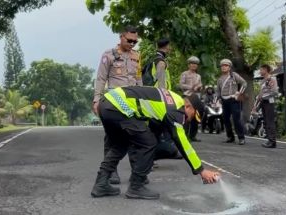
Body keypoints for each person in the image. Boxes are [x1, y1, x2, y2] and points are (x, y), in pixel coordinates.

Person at [91, 86, 220, 200]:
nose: (189, 120)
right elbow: (182, 142)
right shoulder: (176, 110)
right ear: (188, 106)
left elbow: (153, 124)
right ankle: (136, 187)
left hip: (107, 103)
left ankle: (101, 184)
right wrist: (201, 170)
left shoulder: (171, 100)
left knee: (121, 144)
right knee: (148, 142)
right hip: (119, 106)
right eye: (192, 116)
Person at [92, 25, 142, 185]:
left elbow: (139, 79)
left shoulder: (136, 56)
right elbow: (101, 78)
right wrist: (97, 100)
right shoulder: (109, 55)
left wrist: (143, 100)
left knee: (137, 136)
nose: (132, 44)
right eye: (129, 40)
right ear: (121, 37)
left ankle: (138, 172)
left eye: (135, 41)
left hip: (132, 101)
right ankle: (111, 172)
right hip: (114, 102)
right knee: (112, 138)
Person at [216, 59, 247, 145]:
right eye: (222, 65)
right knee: (225, 119)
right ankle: (230, 137)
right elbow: (218, 91)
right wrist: (216, 100)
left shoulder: (234, 75)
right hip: (224, 100)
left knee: (236, 119)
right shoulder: (219, 79)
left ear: (229, 67)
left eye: (226, 65)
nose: (224, 67)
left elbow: (244, 83)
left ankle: (241, 138)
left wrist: (239, 92)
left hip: (233, 99)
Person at [253, 64, 279, 148]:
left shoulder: (272, 79)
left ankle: (272, 141)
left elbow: (274, 92)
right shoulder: (263, 80)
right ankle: (269, 140)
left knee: (270, 121)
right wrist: (258, 99)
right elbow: (261, 93)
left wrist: (263, 96)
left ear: (265, 70)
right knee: (266, 121)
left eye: (261, 70)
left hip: (269, 102)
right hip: (263, 102)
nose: (260, 71)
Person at [179, 56, 203, 142]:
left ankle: (193, 135)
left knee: (197, 116)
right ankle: (185, 136)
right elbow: (181, 85)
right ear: (189, 65)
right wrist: (191, 87)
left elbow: (200, 86)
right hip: (187, 97)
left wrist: (200, 87)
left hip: (196, 97)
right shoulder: (184, 74)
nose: (194, 65)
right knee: (187, 117)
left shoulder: (198, 76)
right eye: (192, 63)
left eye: (195, 64)